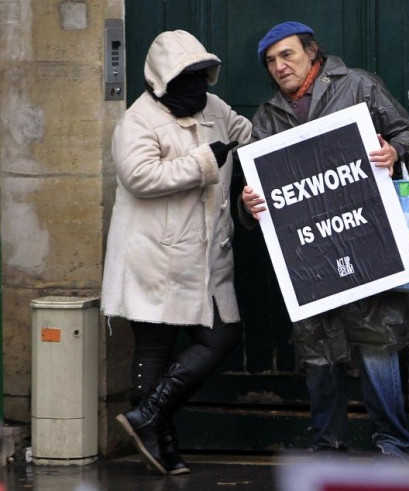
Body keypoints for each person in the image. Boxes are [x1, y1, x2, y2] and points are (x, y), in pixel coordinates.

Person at [239, 21, 409, 460]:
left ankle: (392, 445)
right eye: (271, 61)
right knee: (319, 352)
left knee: (378, 346)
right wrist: (249, 202)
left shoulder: (356, 85)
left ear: (312, 51)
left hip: (364, 239)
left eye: (287, 55)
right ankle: (328, 445)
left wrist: (395, 152)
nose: (279, 66)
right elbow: (256, 190)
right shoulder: (266, 117)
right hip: (310, 254)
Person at [101, 29, 252, 475]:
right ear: (162, 80)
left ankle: (147, 417)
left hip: (207, 257)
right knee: (154, 346)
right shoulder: (138, 120)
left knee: (223, 335)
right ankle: (161, 444)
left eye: (201, 76)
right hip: (154, 255)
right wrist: (207, 161)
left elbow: (249, 135)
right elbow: (140, 176)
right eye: (185, 78)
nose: (196, 88)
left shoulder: (216, 108)